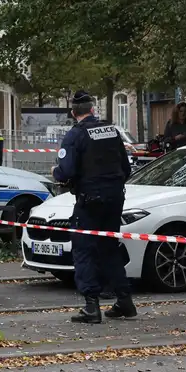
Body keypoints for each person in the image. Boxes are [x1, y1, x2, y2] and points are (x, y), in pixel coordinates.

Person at [51, 90, 136, 324]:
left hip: (89, 201)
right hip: (115, 199)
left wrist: (55, 173)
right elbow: (126, 168)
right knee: (110, 248)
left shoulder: (74, 136)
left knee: (84, 249)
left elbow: (65, 172)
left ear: (72, 112)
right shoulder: (112, 131)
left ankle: (91, 306)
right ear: (92, 110)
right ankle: (124, 301)